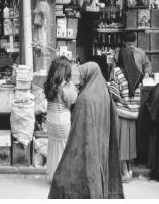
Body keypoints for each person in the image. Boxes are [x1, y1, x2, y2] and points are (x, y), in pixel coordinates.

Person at [48, 62, 124, 199]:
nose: (81, 80)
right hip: (103, 141)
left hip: (89, 144)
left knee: (85, 175)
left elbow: (78, 130)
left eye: (83, 76)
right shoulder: (105, 94)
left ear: (89, 76)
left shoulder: (85, 98)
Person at [109, 47, 142, 182]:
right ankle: (128, 169)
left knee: (121, 143)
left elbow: (114, 94)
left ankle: (124, 173)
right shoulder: (138, 72)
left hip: (121, 113)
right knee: (129, 144)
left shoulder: (117, 71)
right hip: (133, 114)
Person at [43, 56, 78, 183]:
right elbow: (73, 102)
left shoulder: (50, 85)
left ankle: (53, 176)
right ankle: (63, 179)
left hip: (51, 122)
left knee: (53, 148)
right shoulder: (66, 86)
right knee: (64, 150)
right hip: (63, 122)